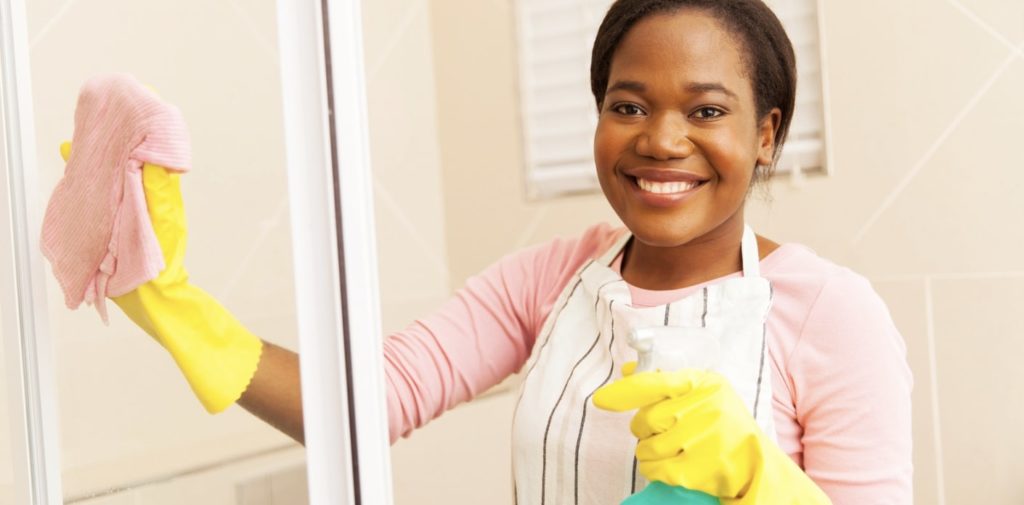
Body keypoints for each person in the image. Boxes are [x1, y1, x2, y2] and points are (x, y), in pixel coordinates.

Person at [80, 0, 912, 503]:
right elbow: (367, 401)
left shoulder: (831, 315)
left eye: (705, 112)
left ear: (765, 134)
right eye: (628, 104)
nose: (661, 140)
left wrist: (756, 478)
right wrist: (171, 303)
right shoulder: (559, 276)